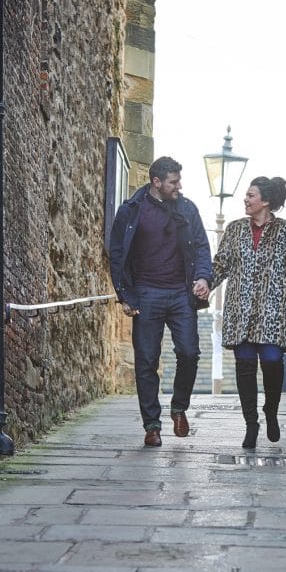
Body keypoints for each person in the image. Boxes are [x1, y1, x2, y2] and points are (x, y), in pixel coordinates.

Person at [195, 176, 286, 449]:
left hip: (274, 309)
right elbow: (221, 264)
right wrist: (206, 284)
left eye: (250, 195)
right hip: (240, 309)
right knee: (245, 365)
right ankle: (250, 423)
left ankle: (271, 410)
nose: (245, 200)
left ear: (266, 201)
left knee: (272, 361)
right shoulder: (235, 230)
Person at [109, 156, 212, 448]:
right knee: (146, 360)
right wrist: (125, 296)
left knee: (190, 352)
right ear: (156, 183)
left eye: (179, 180)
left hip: (181, 292)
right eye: (173, 182)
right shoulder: (132, 211)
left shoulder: (188, 209)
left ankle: (179, 409)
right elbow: (117, 255)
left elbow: (203, 247)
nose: (179, 186)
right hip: (146, 292)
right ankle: (152, 425)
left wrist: (203, 278)